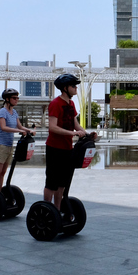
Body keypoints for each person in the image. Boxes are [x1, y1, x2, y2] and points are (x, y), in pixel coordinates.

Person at [44, 74, 89, 212]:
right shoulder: (55, 103)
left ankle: (57, 210)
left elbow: (75, 124)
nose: (76, 88)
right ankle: (47, 210)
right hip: (54, 148)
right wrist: (72, 134)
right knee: (52, 182)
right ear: (65, 88)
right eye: (73, 86)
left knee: (63, 182)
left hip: (67, 148)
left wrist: (87, 134)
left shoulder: (71, 104)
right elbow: (52, 127)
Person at [0, 89, 35, 191]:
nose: (16, 100)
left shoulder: (14, 112)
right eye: (14, 98)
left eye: (17, 98)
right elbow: (3, 127)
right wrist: (19, 130)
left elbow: (19, 126)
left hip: (9, 145)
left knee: (2, 172)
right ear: (7, 99)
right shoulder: (3, 111)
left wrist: (29, 130)